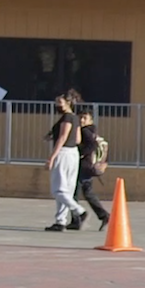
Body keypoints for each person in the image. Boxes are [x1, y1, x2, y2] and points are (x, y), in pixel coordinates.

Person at [44, 91, 88, 232]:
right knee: (67, 190)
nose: (57, 105)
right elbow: (77, 139)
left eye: (60, 102)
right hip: (73, 153)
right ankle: (60, 221)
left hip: (64, 153)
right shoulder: (75, 118)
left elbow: (62, 138)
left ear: (68, 103)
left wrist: (52, 157)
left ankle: (79, 211)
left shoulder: (67, 118)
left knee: (58, 190)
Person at [76, 111, 111, 231]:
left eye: (84, 118)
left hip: (84, 166)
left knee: (73, 193)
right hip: (90, 167)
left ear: (90, 121)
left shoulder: (85, 131)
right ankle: (104, 216)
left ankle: (77, 219)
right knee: (88, 193)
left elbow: (92, 146)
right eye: (80, 117)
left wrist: (80, 155)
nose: (81, 120)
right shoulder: (93, 132)